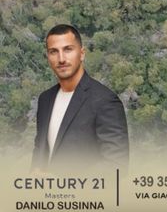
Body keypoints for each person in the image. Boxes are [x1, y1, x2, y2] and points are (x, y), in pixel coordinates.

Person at [31, 24, 129, 173]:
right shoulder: (45, 99)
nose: (61, 58)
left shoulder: (105, 101)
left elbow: (116, 165)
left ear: (82, 53)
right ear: (48, 57)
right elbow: (40, 148)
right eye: (53, 52)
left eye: (68, 49)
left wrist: (60, 183)